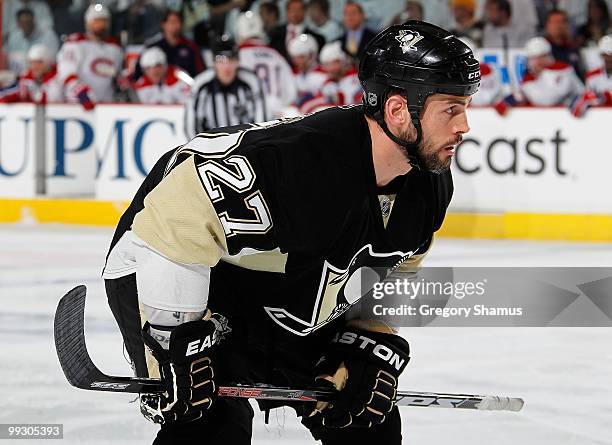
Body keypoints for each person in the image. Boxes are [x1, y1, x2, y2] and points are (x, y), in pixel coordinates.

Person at [101, 20, 480, 445]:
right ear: (397, 110)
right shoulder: (302, 165)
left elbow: (399, 259)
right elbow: (173, 217)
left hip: (280, 288)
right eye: (451, 108)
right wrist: (175, 340)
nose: (464, 126)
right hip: (168, 265)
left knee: (364, 419)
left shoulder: (429, 181)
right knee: (211, 424)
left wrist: (368, 336)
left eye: (465, 107)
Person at [185, 36, 268, 136]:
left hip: (246, 146)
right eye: (221, 60)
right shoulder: (201, 85)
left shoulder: (251, 82)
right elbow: (191, 126)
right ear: (214, 63)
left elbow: (261, 123)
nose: (227, 67)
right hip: (211, 147)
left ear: (238, 62)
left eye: (231, 60)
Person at [56, 3, 123, 106]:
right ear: (88, 22)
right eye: (97, 21)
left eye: (104, 21)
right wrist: (80, 92)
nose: (101, 25)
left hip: (106, 105)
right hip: (78, 105)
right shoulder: (75, 44)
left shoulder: (115, 48)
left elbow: (116, 76)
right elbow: (66, 73)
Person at [236, 11, 297, 117]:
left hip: (251, 117)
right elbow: (292, 92)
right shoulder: (276, 55)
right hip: (279, 116)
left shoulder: (237, 57)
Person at [133, 10, 205, 81]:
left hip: (185, 88)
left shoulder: (191, 47)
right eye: (172, 22)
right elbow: (138, 74)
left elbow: (201, 74)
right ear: (163, 24)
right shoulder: (152, 48)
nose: (176, 25)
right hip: (156, 90)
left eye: (178, 22)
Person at [520, 36, 584, 106]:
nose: (539, 61)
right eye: (534, 58)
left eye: (542, 56)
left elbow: (549, 100)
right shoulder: (529, 77)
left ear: (550, 56)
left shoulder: (561, 69)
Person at [0, 44, 66, 104]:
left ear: (48, 63)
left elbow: (46, 101)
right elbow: (14, 94)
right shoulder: (26, 77)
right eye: (32, 62)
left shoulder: (60, 78)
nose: (34, 67)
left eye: (39, 62)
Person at [5, 8, 60, 74]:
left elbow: (52, 59)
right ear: (18, 24)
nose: (26, 25)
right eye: (22, 22)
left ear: (34, 20)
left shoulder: (48, 35)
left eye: (28, 22)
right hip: (19, 74)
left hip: (44, 73)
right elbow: (6, 57)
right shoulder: (14, 37)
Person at [288, 33, 328, 108]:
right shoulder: (293, 75)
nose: (297, 61)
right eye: (294, 58)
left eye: (301, 57)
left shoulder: (324, 76)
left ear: (311, 56)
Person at [544, 9, 585, 79]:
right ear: (547, 25)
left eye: (561, 22)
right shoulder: (542, 49)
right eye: (554, 22)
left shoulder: (573, 48)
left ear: (567, 25)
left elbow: (580, 73)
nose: (558, 26)